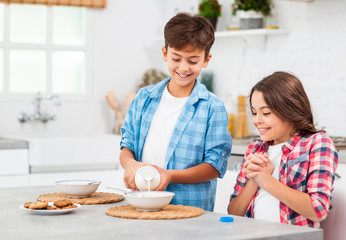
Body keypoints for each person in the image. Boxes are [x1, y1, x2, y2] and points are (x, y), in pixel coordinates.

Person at [119, 13, 232, 211]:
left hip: (190, 210)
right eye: (176, 58)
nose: (183, 67)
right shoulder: (144, 98)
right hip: (141, 205)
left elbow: (215, 166)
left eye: (193, 60)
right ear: (165, 53)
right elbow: (127, 145)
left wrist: (170, 175)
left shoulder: (212, 107)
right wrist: (130, 164)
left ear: (206, 59)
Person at [227, 71, 338, 228]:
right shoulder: (254, 149)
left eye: (265, 113)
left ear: (289, 110)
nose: (256, 120)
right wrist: (254, 180)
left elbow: (318, 210)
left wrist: (266, 180)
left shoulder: (317, 143)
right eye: (254, 112)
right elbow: (233, 212)